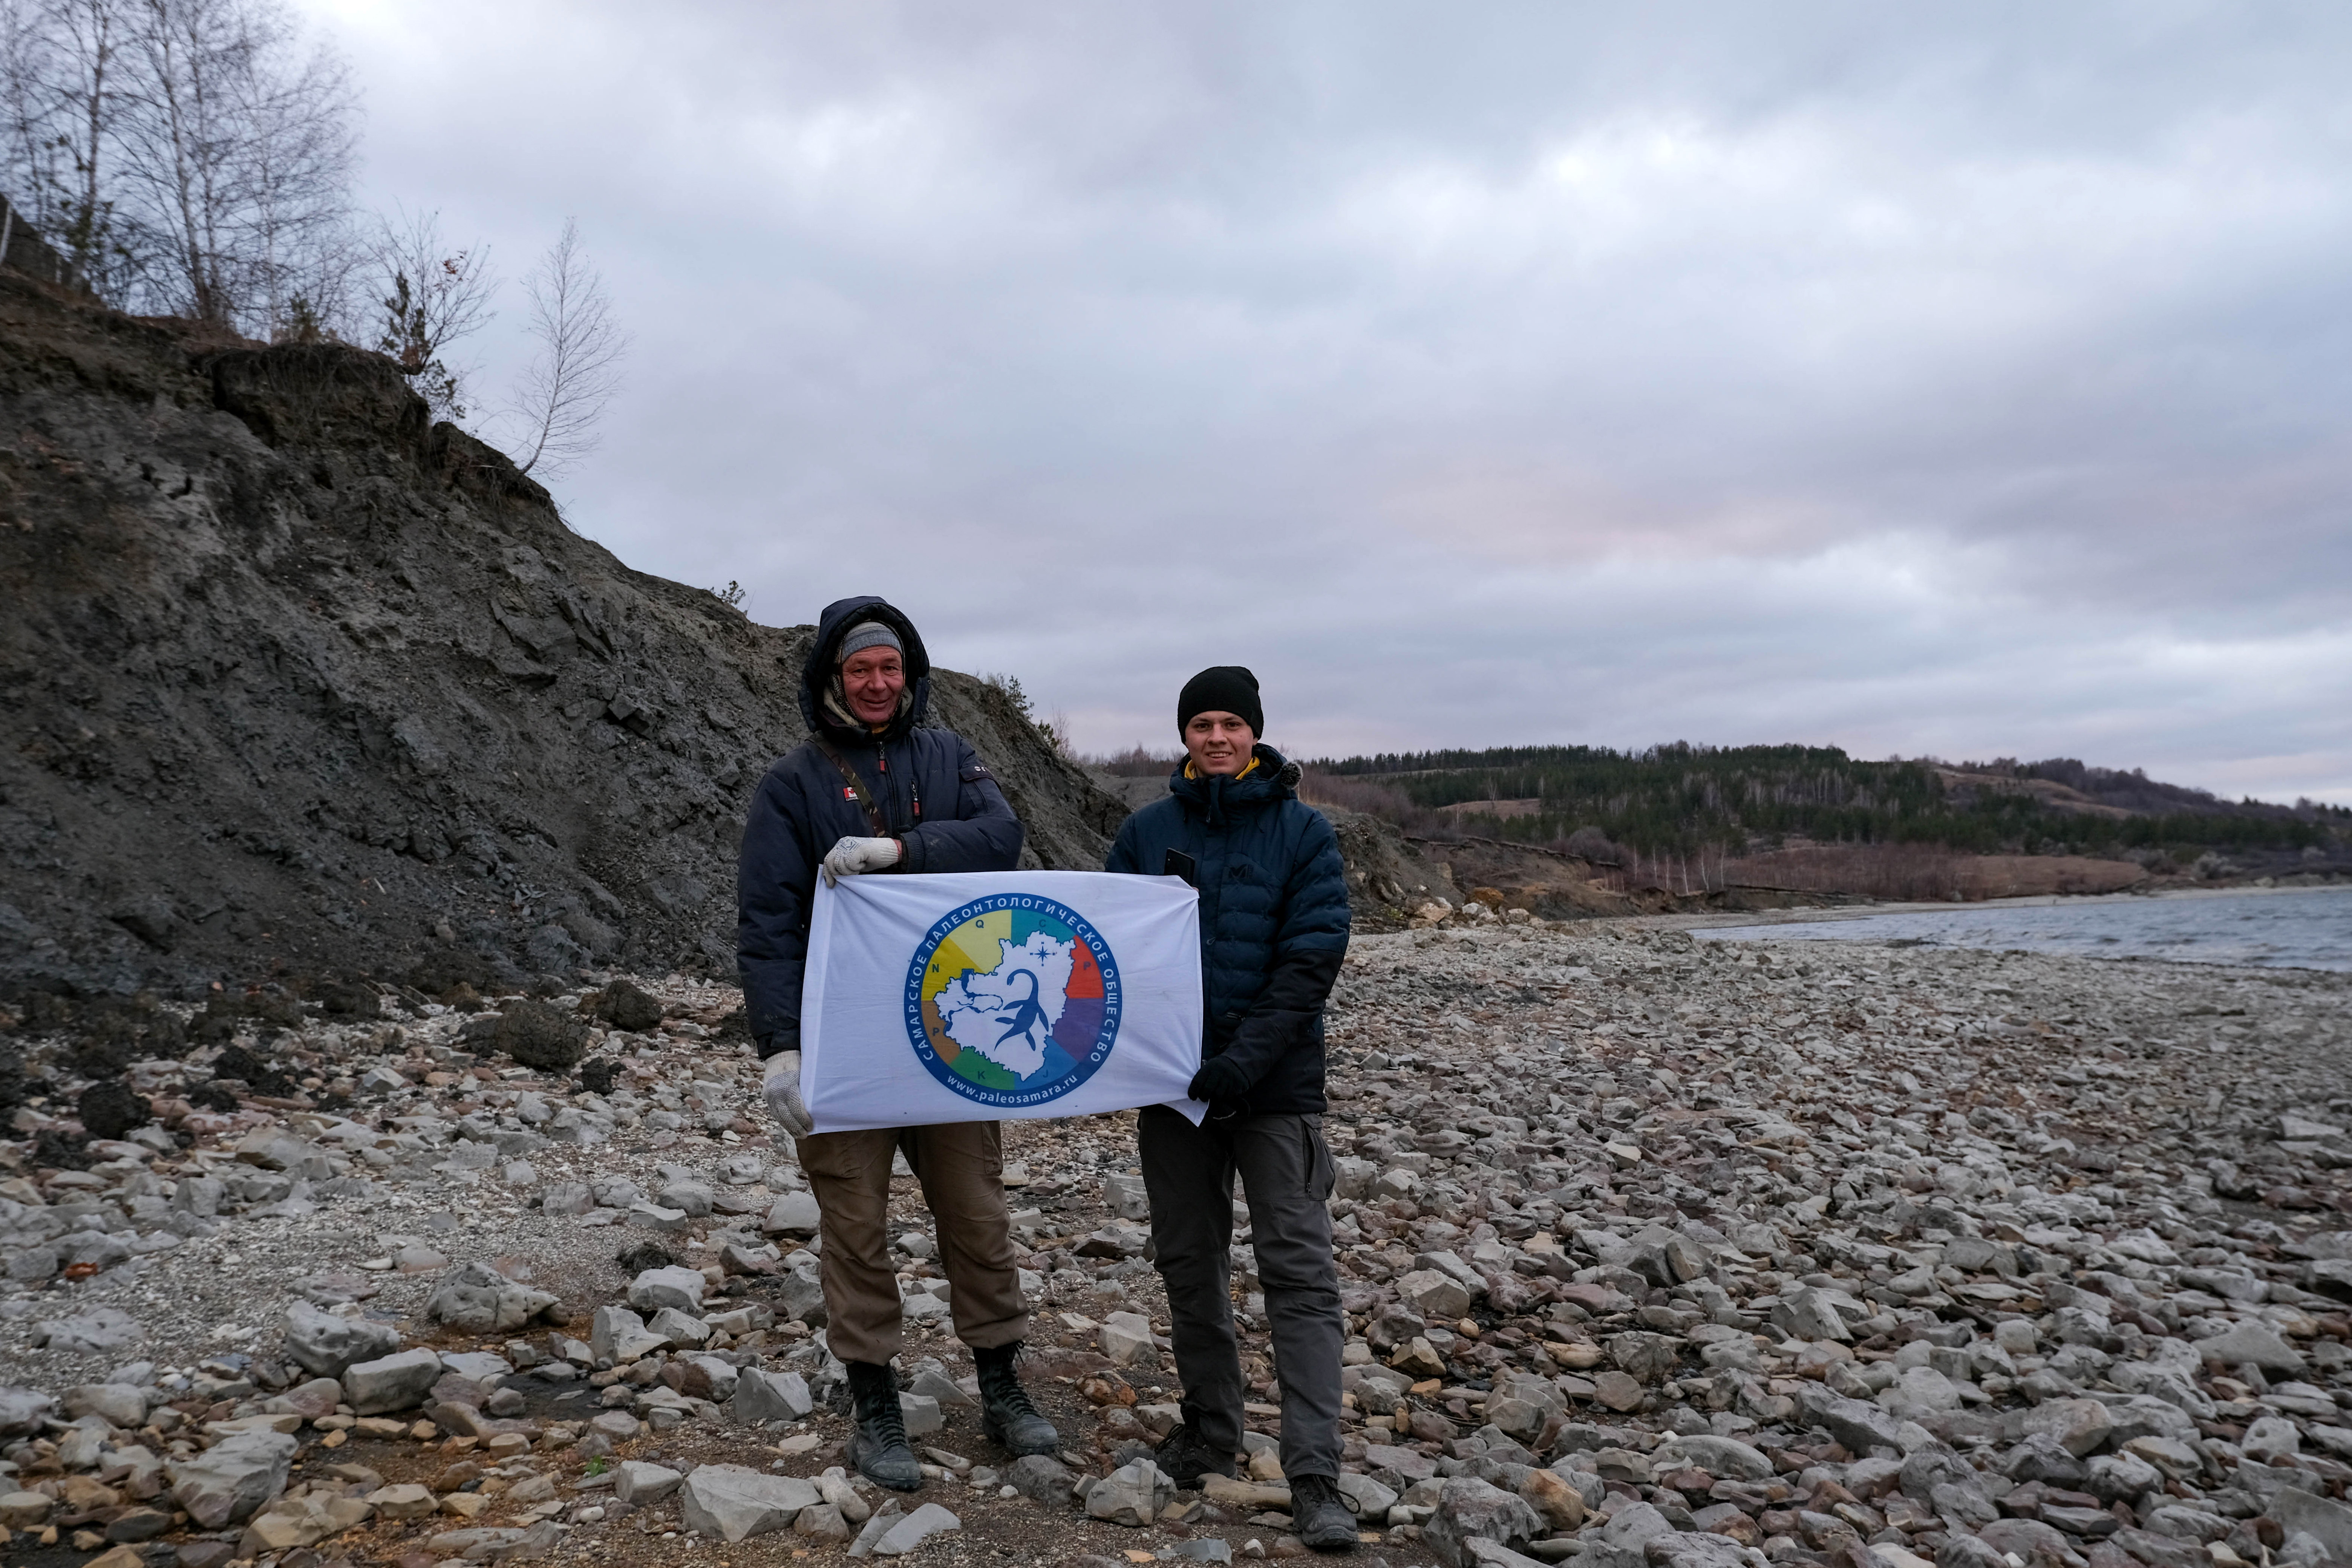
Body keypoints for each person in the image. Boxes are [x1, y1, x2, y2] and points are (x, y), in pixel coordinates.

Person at [737, 595, 1058, 1490]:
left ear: (908, 674)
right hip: (844, 1044)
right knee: (855, 1226)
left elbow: (1001, 835)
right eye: (860, 669)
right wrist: (779, 1045)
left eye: (890, 668)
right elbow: (768, 923)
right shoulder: (792, 784)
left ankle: (1002, 1386)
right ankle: (874, 1405)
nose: (877, 684)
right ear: (833, 678)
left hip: (956, 1038)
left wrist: (900, 850)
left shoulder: (951, 757)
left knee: (978, 1215)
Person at [1105, 666, 1357, 1552]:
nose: (1216, 737)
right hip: (1173, 1093)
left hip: (1275, 1090)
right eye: (1202, 723)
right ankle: (1212, 1430)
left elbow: (1310, 960)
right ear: (1185, 735)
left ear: (1255, 733)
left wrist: (1241, 1062)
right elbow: (1102, 951)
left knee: (1298, 1274)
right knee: (1188, 1261)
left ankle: (1315, 1472)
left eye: (1230, 724)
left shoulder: (1304, 833)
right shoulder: (1146, 833)